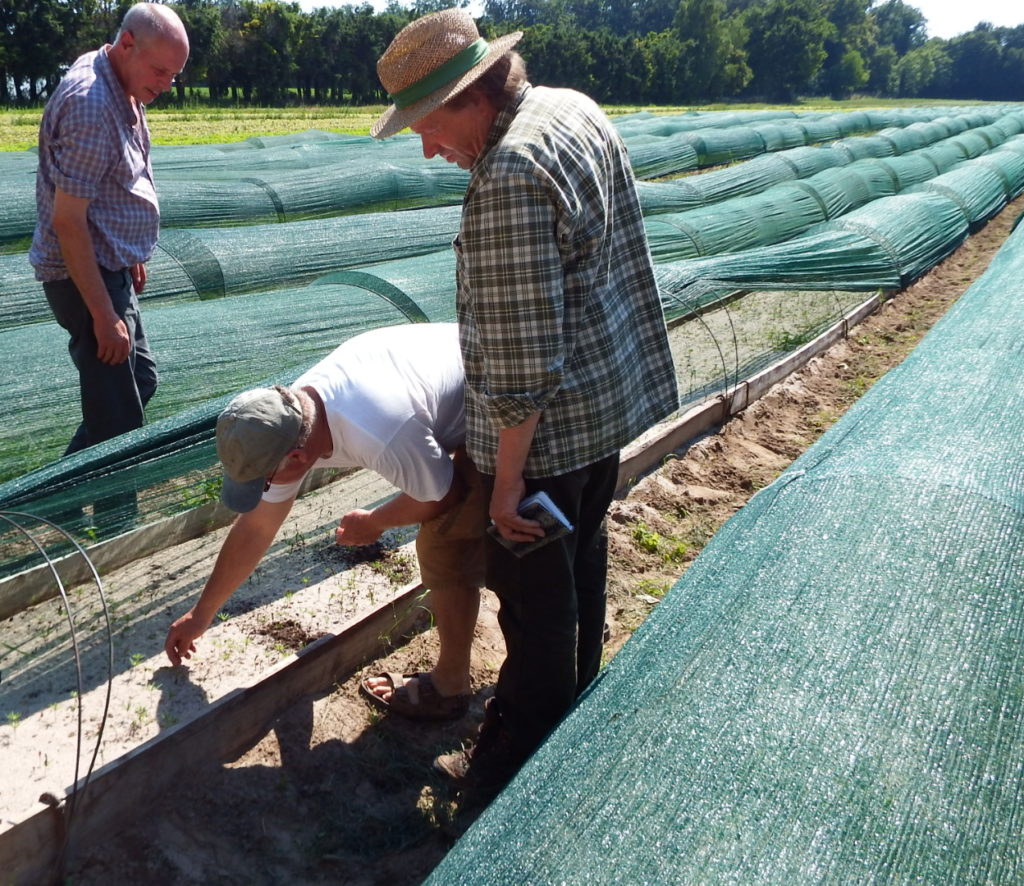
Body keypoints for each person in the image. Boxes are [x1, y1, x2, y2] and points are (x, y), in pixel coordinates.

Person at [373, 9, 679, 792]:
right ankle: (577, 711)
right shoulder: (570, 107)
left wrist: (507, 483)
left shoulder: (507, 173)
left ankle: (519, 776)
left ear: (471, 94)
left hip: (546, 440)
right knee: (580, 568)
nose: (426, 145)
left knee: (534, 612)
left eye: (427, 123)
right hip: (604, 408)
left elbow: (520, 356)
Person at [164, 323, 485, 721]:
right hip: (445, 383)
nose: (266, 490)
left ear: (297, 460)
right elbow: (258, 526)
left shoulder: (379, 430)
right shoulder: (291, 418)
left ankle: (451, 688)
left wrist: (376, 521)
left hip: (497, 387)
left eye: (264, 480)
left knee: (445, 545)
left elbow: (443, 495)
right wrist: (202, 613)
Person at [30, 3, 189, 456]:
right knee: (119, 421)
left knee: (138, 381)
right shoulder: (90, 105)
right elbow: (68, 221)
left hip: (109, 263)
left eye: (173, 75)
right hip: (84, 277)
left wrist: (129, 249)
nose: (164, 85)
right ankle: (112, 521)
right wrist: (103, 316)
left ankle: (59, 492)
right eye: (159, 71)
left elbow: (118, 179)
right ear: (126, 45)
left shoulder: (121, 80)